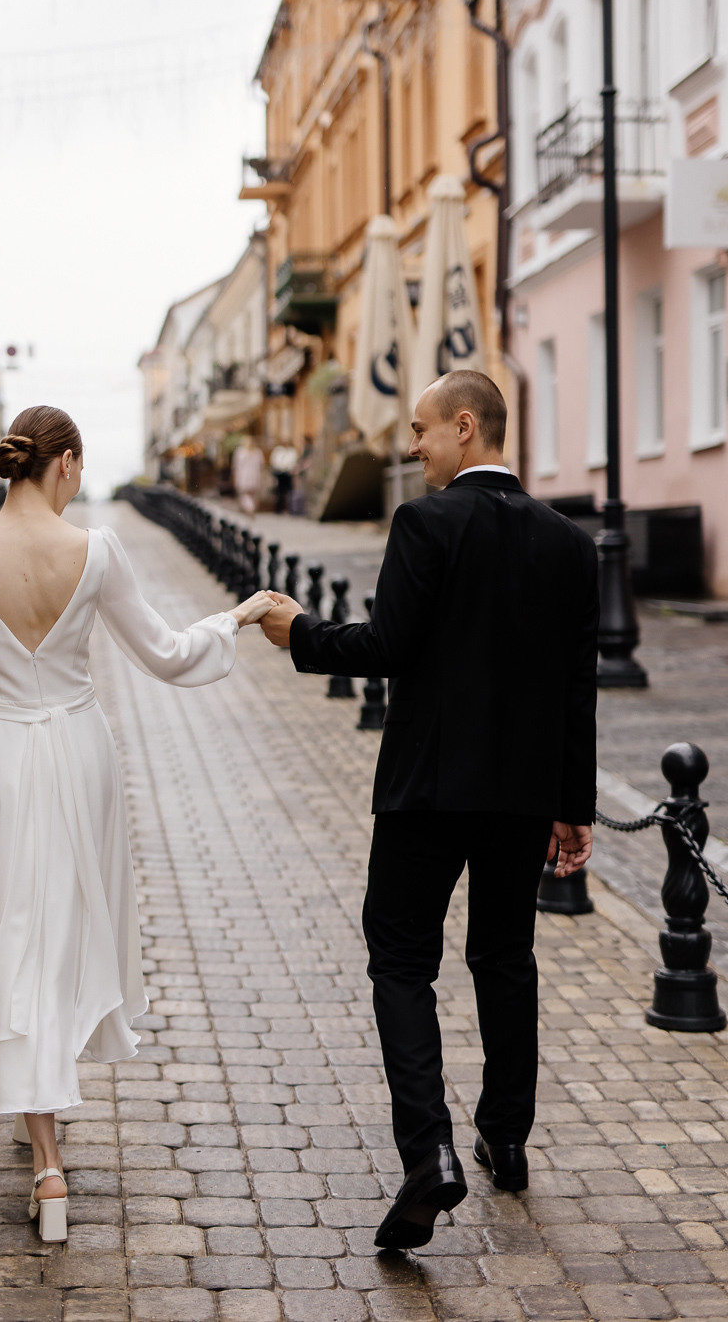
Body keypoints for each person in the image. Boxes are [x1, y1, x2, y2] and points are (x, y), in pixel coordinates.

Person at [259, 370, 598, 1251]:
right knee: (504, 955)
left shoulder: (426, 521)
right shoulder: (568, 541)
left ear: (463, 426)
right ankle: (507, 1140)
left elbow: (385, 646)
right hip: (524, 794)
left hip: (428, 791)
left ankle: (430, 1155)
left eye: (419, 431)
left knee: (401, 960)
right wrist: (575, 804)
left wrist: (296, 630)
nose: (411, 449)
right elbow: (576, 687)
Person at [0, 405, 274, 1242]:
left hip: (2, 755)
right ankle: (45, 1155)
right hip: (82, 751)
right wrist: (239, 614)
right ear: (68, 466)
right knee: (59, 928)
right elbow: (165, 653)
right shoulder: (96, 550)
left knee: (14, 924)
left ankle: (41, 1149)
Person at [231, 435, 264, 516]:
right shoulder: (258, 452)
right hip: (254, 475)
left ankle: (249, 507)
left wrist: (234, 476)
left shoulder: (240, 452)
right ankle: (251, 507)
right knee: (252, 494)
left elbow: (235, 465)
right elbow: (262, 464)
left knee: (244, 494)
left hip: (244, 475)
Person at [269, 441, 299, 515]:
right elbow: (274, 461)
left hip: (288, 473)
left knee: (289, 491)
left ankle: (290, 508)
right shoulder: (278, 450)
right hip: (279, 473)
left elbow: (293, 462)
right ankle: (279, 508)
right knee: (280, 491)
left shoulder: (292, 451)